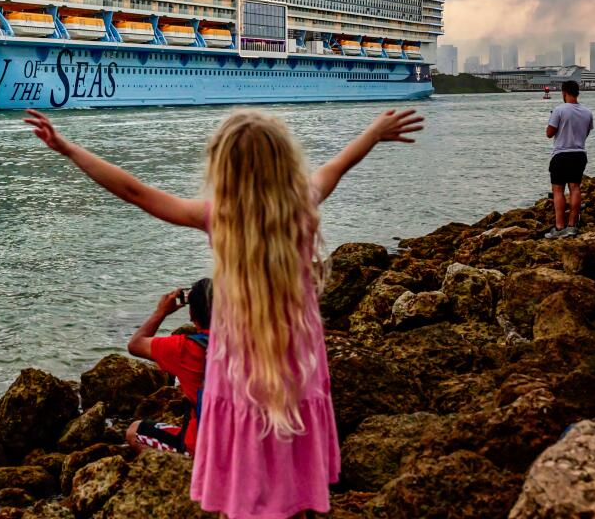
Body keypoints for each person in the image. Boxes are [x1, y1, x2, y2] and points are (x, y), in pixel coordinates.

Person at [24, 107, 423, 519]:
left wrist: (68, 148)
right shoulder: (302, 201)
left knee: (245, 468)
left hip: (238, 370)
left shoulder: (220, 218)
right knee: (287, 453)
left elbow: (135, 192)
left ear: (223, 166)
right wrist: (374, 132)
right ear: (284, 160)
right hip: (296, 362)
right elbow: (342, 161)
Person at [125, 278, 213, 457]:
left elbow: (135, 344)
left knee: (134, 431)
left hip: (201, 448)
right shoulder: (248, 342)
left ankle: (176, 468)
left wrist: (162, 311)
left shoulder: (186, 349)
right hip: (243, 444)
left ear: (192, 316)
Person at [545, 80, 593, 238]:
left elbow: (549, 133)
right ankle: (572, 225)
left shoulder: (559, 110)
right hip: (579, 154)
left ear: (564, 93)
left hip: (561, 154)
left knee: (558, 189)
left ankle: (559, 227)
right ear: (577, 92)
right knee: (575, 188)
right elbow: (585, 133)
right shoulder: (587, 112)